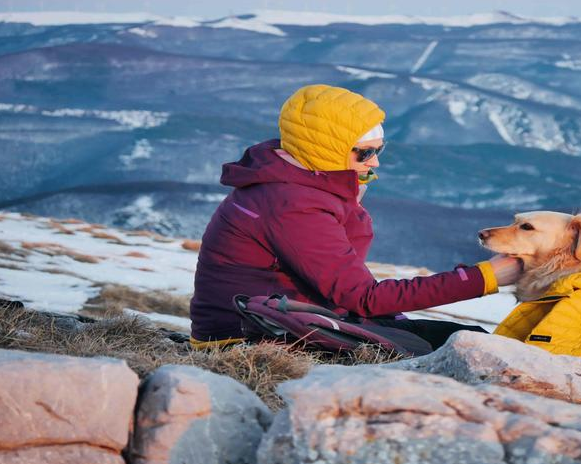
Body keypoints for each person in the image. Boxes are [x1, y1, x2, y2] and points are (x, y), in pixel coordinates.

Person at [189, 84, 523, 349]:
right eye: (364, 152)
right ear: (326, 150)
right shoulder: (294, 204)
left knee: (463, 337)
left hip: (279, 320)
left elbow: (345, 281)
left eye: (379, 149)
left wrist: (349, 194)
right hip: (254, 336)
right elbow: (363, 298)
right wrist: (487, 276)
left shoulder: (295, 183)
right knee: (463, 348)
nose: (375, 162)